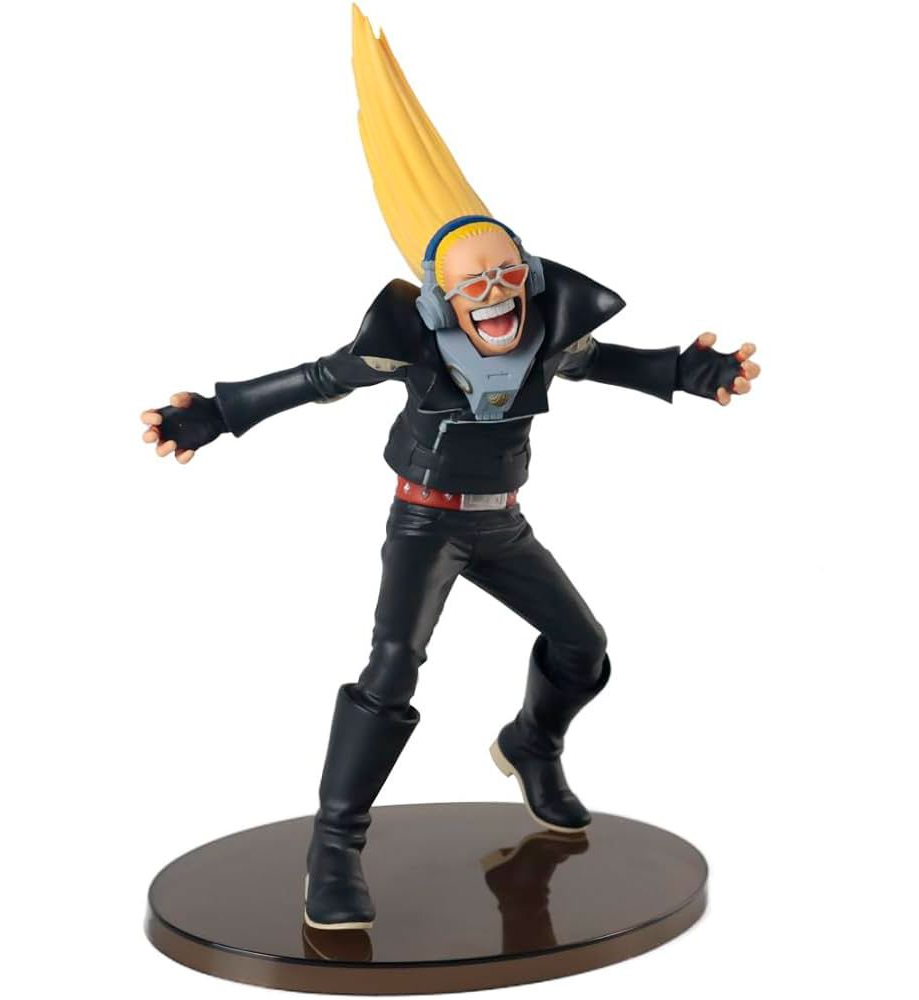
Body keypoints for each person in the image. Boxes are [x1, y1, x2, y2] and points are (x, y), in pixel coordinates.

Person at [140, 6, 760, 931]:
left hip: (501, 522)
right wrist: (220, 414)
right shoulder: (408, 348)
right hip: (425, 520)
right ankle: (334, 845)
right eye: (472, 284)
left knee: (583, 648)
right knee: (393, 667)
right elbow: (315, 379)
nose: (494, 295)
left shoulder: (547, 338)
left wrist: (689, 372)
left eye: (506, 274)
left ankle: (531, 743)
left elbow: (618, 364)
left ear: (529, 274)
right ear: (439, 300)